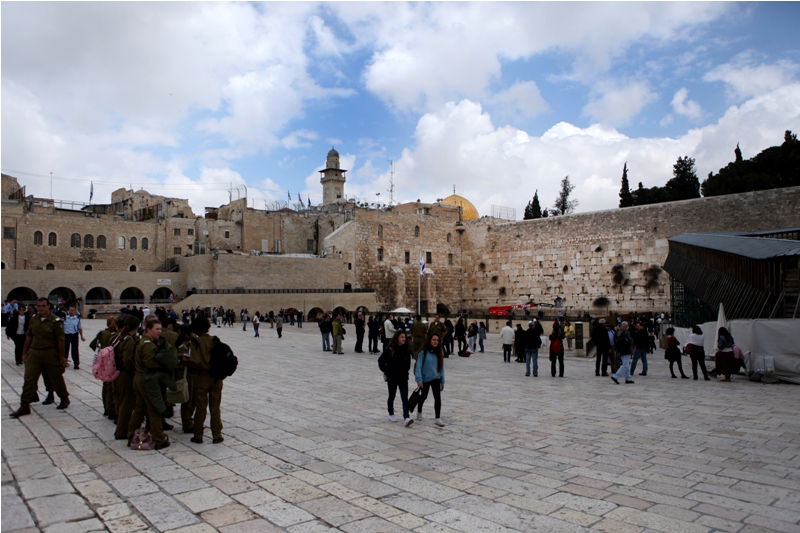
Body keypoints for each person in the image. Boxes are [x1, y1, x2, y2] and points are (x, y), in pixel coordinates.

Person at [10, 298, 70, 418]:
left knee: (56, 378)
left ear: (48, 306)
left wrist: (61, 358)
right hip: (34, 353)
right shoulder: (33, 319)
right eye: (38, 306)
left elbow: (61, 341)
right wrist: (24, 353)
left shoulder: (56, 321)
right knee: (29, 379)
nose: (40, 308)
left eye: (43, 306)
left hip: (50, 353)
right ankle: (24, 405)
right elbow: (28, 336)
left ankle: (64, 398)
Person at [127, 320, 172, 450]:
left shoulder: (143, 341)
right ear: (148, 329)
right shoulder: (148, 345)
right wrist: (164, 364)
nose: (159, 332)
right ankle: (159, 439)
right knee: (154, 409)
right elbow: (150, 363)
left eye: (160, 329)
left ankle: (131, 435)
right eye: (157, 329)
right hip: (147, 380)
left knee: (140, 409)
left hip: (139, 378)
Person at [184, 317, 224, 444]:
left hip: (202, 377)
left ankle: (198, 435)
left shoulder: (197, 342)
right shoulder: (215, 340)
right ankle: (217, 434)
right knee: (215, 407)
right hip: (217, 377)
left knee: (201, 406)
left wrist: (187, 360)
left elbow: (196, 361)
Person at [113, 315, 141, 439]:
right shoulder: (129, 339)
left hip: (117, 373)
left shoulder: (118, 337)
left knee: (121, 402)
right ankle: (121, 432)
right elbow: (127, 360)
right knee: (126, 404)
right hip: (125, 375)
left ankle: (120, 428)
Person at [380, 331, 414, 426]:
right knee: (392, 395)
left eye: (404, 337)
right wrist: (387, 371)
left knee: (404, 397)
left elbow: (408, 364)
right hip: (392, 378)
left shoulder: (407, 349)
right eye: (402, 337)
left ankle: (406, 417)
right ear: (397, 338)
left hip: (403, 378)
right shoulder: (390, 349)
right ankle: (391, 413)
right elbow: (381, 361)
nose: (404, 339)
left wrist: (405, 372)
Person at [90, 316, 120, 419]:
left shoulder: (102, 333)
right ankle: (112, 410)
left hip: (104, 362)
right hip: (112, 362)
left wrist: (101, 348)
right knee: (112, 387)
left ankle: (106, 409)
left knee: (105, 386)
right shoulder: (117, 335)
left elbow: (92, 345)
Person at [414, 334, 446, 427]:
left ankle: (437, 418)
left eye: (437, 340)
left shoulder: (439, 352)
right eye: (433, 340)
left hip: (436, 378)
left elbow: (441, 368)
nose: (435, 342)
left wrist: (442, 381)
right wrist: (419, 379)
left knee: (437, 398)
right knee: (423, 396)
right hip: (425, 379)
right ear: (429, 340)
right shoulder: (423, 352)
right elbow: (418, 366)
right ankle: (419, 411)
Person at [63, 305, 85, 369]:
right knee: (65, 350)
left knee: (75, 350)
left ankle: (76, 364)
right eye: (70, 310)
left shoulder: (77, 319)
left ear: (75, 311)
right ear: (68, 311)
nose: (71, 311)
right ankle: (64, 362)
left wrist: (81, 336)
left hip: (74, 335)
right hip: (66, 336)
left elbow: (80, 328)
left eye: (73, 310)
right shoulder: (65, 318)